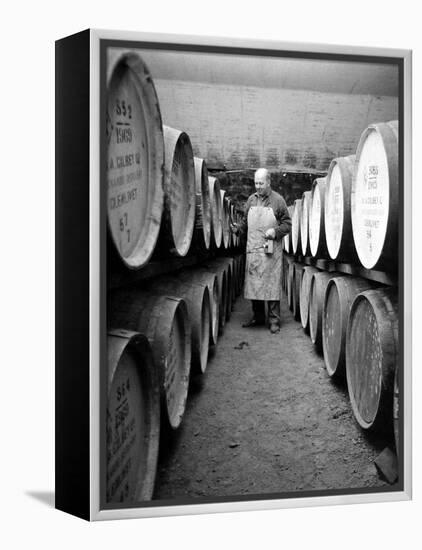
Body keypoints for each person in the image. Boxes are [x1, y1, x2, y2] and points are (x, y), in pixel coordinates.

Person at [232, 168, 291, 334]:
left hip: (270, 250)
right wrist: (238, 229)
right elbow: (245, 223)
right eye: (256, 183)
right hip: (253, 249)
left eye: (261, 183)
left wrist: (276, 231)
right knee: (255, 285)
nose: (258, 186)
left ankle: (274, 321)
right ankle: (258, 317)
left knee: (271, 285)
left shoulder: (278, 201)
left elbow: (287, 224)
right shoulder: (251, 200)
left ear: (268, 182)